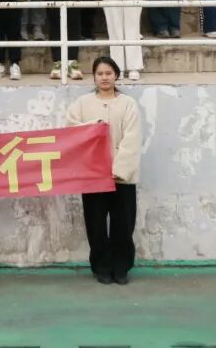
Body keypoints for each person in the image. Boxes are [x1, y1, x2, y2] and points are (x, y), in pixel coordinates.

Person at [66, 57, 141, 285]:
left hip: (122, 178)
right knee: (96, 223)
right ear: (94, 77)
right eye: (100, 74)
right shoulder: (82, 104)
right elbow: (72, 130)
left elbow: (132, 138)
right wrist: (92, 126)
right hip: (93, 176)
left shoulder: (128, 104)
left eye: (108, 73)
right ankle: (102, 267)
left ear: (116, 75)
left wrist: (119, 169)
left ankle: (121, 268)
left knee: (123, 224)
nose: (104, 78)